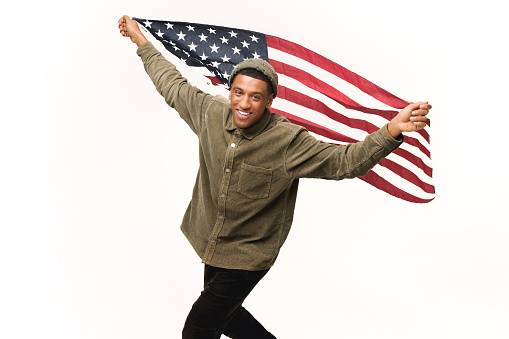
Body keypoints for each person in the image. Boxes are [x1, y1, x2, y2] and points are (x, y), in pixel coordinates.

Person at [117, 15, 431, 339]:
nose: (244, 103)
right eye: (238, 93)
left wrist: (392, 130)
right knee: (229, 317)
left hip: (249, 255)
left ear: (269, 101)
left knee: (198, 329)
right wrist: (141, 42)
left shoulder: (288, 141)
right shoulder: (210, 113)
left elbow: (345, 162)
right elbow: (172, 85)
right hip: (213, 241)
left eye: (255, 96)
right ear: (229, 92)